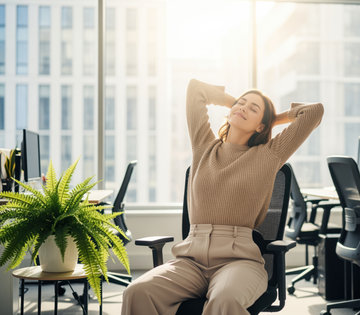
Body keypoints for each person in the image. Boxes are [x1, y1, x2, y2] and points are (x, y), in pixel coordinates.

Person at [121, 79, 324, 315]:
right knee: (137, 292)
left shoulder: (268, 155)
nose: (242, 108)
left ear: (261, 127)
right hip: (191, 261)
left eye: (253, 108)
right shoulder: (203, 145)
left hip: (239, 262)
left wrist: (274, 119)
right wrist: (235, 104)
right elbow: (195, 89)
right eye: (241, 103)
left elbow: (314, 111)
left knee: (224, 299)